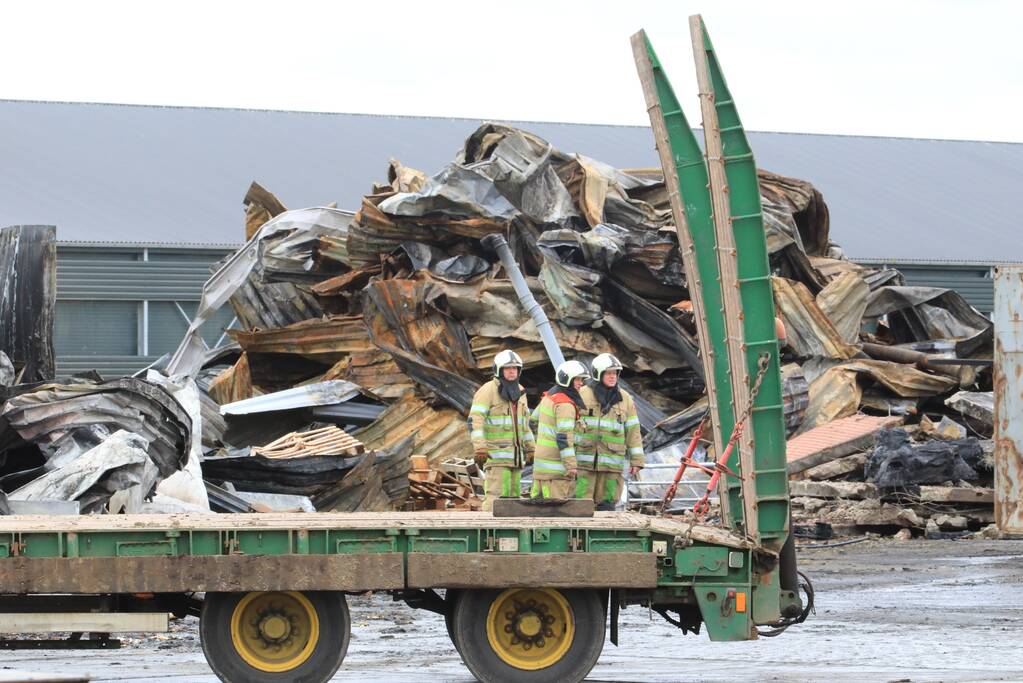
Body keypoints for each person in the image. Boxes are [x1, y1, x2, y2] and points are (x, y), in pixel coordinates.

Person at [469, 350, 535, 512]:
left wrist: (531, 448)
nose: (512, 371)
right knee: (495, 500)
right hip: (496, 457)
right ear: (499, 370)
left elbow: (524, 424)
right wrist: (480, 447)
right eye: (508, 368)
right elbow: (475, 420)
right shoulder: (488, 390)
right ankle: (488, 533)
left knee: (514, 502)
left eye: (515, 368)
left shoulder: (520, 392)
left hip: (516, 460)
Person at [577, 353, 644, 510]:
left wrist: (637, 460)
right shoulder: (581, 394)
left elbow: (633, 431)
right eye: (608, 373)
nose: (612, 376)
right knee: (579, 504)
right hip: (584, 464)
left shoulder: (625, 398)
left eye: (615, 373)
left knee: (607, 506)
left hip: (612, 465)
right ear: (597, 374)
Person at [530, 359, 588, 500]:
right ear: (567, 380)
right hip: (556, 469)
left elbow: (533, 419)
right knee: (555, 510)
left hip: (541, 465)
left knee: (537, 509)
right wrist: (571, 466)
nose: (581, 383)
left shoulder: (549, 397)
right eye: (577, 379)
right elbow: (564, 437)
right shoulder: (565, 404)